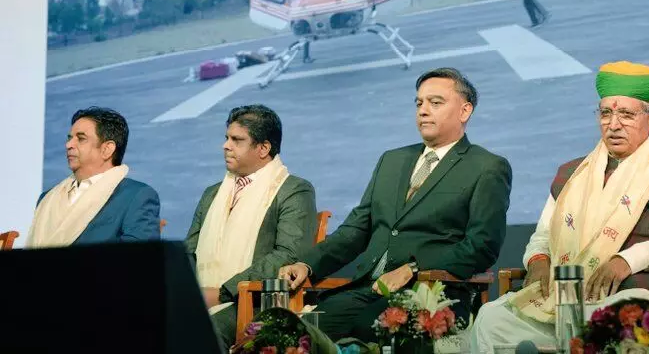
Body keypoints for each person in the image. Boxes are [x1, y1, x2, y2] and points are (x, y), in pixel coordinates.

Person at [471, 61, 649, 352]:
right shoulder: (572, 174)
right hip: (562, 298)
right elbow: (543, 236)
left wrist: (629, 260)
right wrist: (538, 261)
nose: (613, 124)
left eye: (626, 115)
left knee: (614, 324)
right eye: (606, 113)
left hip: (633, 295)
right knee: (492, 319)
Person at [278, 67, 512, 342]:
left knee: (371, 331)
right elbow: (355, 230)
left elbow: (482, 245)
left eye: (435, 103)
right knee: (294, 336)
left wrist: (413, 268)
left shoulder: (486, 167)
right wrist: (307, 264)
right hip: (367, 289)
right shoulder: (392, 160)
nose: (423, 111)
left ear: (465, 111)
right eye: (419, 103)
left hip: (430, 293)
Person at [184, 104, 317, 351]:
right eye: (227, 138)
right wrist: (187, 290)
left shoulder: (294, 190)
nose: (226, 146)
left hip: (256, 301)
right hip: (202, 296)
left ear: (263, 148)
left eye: (237, 140)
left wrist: (222, 293)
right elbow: (189, 251)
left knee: (199, 331)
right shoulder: (212, 194)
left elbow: (288, 255)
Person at [26, 107, 160, 247]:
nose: (68, 145)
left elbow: (139, 258)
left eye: (81, 139)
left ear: (107, 149)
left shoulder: (135, 197)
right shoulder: (47, 199)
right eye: (70, 138)